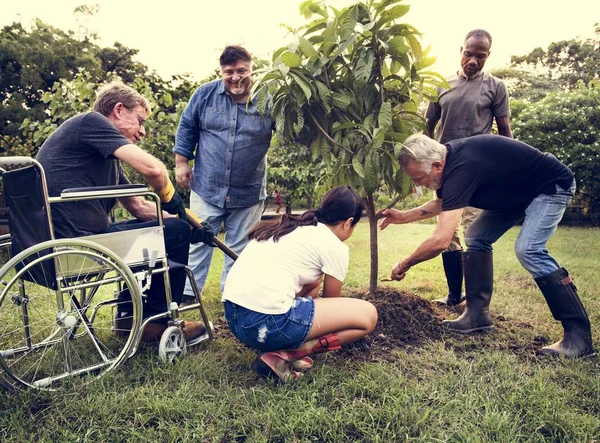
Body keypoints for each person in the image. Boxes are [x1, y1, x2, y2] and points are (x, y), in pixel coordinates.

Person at [379, 133, 594, 358]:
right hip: (515, 196)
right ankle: (477, 316)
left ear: (437, 165)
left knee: (529, 249)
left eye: (418, 177)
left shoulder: (462, 167)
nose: (417, 185)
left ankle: (578, 335)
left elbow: (441, 240)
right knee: (476, 236)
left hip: (549, 187)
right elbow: (442, 203)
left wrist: (404, 264)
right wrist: (403, 216)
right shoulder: (448, 166)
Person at [36, 81, 207, 342]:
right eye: (139, 121)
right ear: (118, 110)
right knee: (173, 233)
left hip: (70, 243)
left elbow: (139, 206)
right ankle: (151, 321)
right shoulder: (91, 122)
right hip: (77, 245)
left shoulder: (105, 157)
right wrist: (170, 197)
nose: (143, 132)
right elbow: (155, 170)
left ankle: (132, 319)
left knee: (175, 229)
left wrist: (186, 221)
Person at [222, 186, 378, 382]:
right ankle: (287, 354)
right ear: (348, 223)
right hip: (267, 324)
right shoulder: (334, 246)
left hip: (236, 320)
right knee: (368, 315)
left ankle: (281, 346)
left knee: (314, 282)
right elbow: (332, 302)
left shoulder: (292, 227)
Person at [173, 45, 274, 302]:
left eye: (242, 70)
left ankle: (231, 297)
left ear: (251, 68)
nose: (235, 77)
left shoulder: (268, 98)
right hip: (207, 186)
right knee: (197, 242)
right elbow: (187, 126)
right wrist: (181, 162)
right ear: (221, 71)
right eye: (229, 71)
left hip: (248, 191)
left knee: (239, 248)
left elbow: (292, 128)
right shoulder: (205, 94)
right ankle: (187, 295)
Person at [425, 29, 513, 307]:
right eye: (468, 53)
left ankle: (476, 302)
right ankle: (454, 295)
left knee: (474, 230)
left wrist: (507, 171)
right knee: (447, 234)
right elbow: (428, 129)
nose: (473, 60)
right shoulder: (441, 83)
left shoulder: (495, 87)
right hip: (445, 170)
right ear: (460, 50)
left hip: (478, 171)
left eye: (480, 55)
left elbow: (505, 131)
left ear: (488, 55)